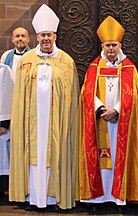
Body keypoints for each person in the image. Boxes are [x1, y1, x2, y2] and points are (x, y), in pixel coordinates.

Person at [9, 4, 79, 210]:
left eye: (49, 35)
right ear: (37, 37)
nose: (46, 39)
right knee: (33, 157)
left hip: (56, 120)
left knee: (55, 156)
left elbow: (71, 95)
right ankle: (34, 198)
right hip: (32, 121)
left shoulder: (66, 61)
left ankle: (53, 197)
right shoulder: (27, 61)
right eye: (42, 35)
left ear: (55, 36)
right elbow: (19, 95)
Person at [79, 16, 138, 209]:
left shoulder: (129, 68)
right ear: (102, 46)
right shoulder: (93, 67)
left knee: (117, 157)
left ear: (120, 45)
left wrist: (116, 110)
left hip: (120, 121)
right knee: (99, 156)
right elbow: (87, 92)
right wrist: (100, 109)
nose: (111, 49)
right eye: (108, 45)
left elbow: (135, 95)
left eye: (114, 45)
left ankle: (118, 196)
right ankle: (97, 197)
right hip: (99, 121)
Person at [0, 63, 13, 200]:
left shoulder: (3, 70)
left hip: (1, 124)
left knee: (2, 159)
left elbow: (7, 96)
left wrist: (4, 123)